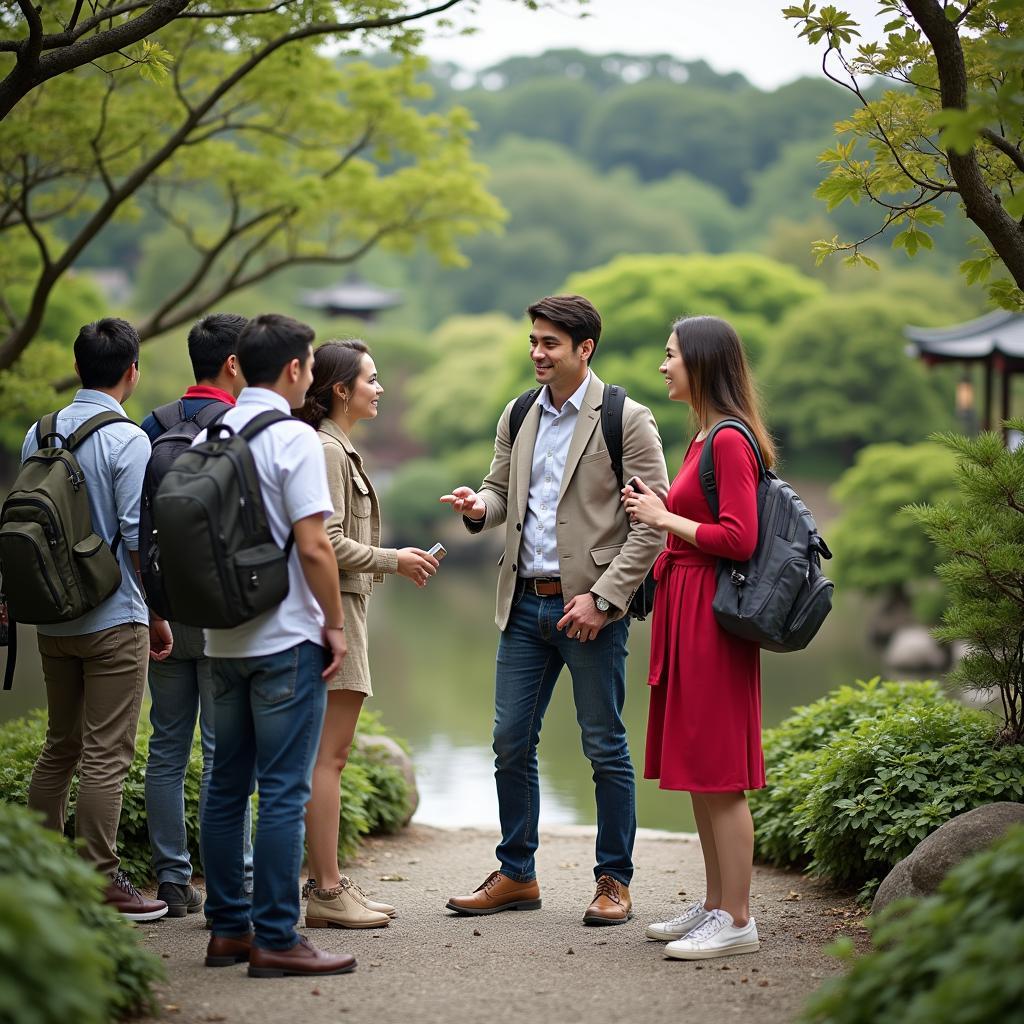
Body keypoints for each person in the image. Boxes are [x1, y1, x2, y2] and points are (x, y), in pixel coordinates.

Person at [440, 294, 668, 925]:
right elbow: (499, 490)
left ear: (583, 348)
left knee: (604, 746)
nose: (537, 353)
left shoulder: (627, 417)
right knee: (509, 740)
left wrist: (603, 599)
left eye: (550, 344)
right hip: (522, 606)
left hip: (590, 610)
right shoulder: (518, 413)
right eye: (534, 341)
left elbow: (652, 525)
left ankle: (613, 881)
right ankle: (517, 874)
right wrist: (477, 507)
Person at [198, 314, 354, 978]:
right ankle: (277, 937)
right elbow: (316, 546)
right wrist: (336, 624)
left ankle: (229, 930)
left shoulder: (214, 431)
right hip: (285, 636)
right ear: (294, 369)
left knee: (225, 786)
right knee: (283, 790)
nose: (312, 376)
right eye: (311, 365)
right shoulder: (293, 439)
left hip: (220, 637)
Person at [623, 315, 769, 961]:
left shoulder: (729, 441)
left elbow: (741, 538)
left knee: (720, 774)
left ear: (703, 363)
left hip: (712, 618)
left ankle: (737, 919)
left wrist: (663, 516)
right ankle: (715, 905)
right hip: (688, 612)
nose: (663, 366)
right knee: (699, 771)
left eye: (671, 355)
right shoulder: (701, 437)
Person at [23, 318, 173, 921]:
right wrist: (158, 614)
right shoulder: (127, 438)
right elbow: (138, 539)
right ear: (131, 371)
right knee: (107, 754)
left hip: (51, 616)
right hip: (113, 619)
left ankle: (36, 872)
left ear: (79, 366)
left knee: (59, 746)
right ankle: (102, 880)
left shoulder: (39, 432)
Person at [296, 340, 439, 929]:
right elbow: (325, 540)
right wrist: (393, 559)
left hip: (344, 608)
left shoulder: (336, 448)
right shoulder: (328, 450)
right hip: (336, 612)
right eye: (371, 380)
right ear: (340, 390)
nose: (378, 389)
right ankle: (327, 893)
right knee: (327, 759)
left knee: (327, 757)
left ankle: (329, 886)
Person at [142, 312, 253, 919]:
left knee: (165, 747)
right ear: (234, 363)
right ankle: (234, 882)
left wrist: (151, 607)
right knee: (223, 750)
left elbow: (135, 527)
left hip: (162, 614)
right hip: (221, 616)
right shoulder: (244, 427)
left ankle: (171, 883)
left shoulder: (152, 424)